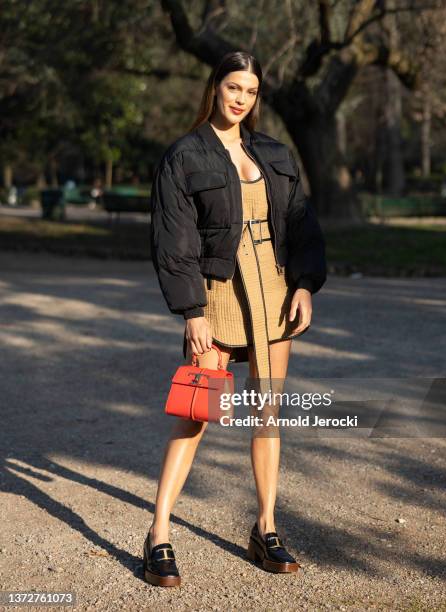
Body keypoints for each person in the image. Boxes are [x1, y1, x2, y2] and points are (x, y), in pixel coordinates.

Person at [146, 51, 327, 587]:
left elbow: (301, 223)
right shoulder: (184, 155)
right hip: (217, 295)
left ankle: (266, 526)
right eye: (232, 87)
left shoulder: (274, 152)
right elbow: (173, 240)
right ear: (216, 88)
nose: (240, 98)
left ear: (256, 97)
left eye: (249, 90)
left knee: (266, 411)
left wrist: (304, 285)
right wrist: (192, 311)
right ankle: (158, 533)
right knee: (196, 413)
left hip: (273, 293)